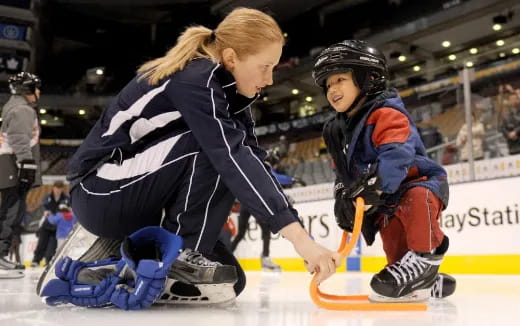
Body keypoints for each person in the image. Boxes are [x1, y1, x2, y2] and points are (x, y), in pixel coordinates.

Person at [38, 8, 341, 305]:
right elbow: (230, 155)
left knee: (230, 279)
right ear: (231, 57)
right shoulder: (196, 77)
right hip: (98, 192)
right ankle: (178, 255)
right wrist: (302, 241)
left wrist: (296, 229)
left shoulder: (232, 96)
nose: (271, 79)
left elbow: (252, 160)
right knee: (213, 147)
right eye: (265, 66)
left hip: (133, 195)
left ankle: (118, 259)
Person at [312, 40, 456, 302]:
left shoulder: (385, 112)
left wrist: (375, 186)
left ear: (369, 79)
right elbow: (342, 169)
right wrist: (343, 194)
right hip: (386, 201)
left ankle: (425, 260)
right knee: (395, 249)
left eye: (340, 79)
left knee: (416, 200)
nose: (332, 89)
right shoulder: (337, 129)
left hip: (416, 184)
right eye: (328, 84)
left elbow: (397, 152)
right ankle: (424, 280)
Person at [0, 72, 42, 279]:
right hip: (12, 168)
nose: (39, 91)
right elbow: (18, 137)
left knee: (10, 210)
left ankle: (2, 255)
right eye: (36, 87)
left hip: (9, 167)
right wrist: (26, 164)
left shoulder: (14, 106)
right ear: (28, 89)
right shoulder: (22, 110)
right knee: (10, 212)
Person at [31, 180, 70, 267]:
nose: (58, 190)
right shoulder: (47, 197)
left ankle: (48, 262)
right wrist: (46, 212)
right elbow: (43, 207)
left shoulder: (66, 199)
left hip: (57, 227)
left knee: (52, 246)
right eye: (56, 188)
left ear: (62, 189)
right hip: (47, 225)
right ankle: (36, 261)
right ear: (53, 188)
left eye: (60, 189)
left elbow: (68, 210)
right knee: (41, 243)